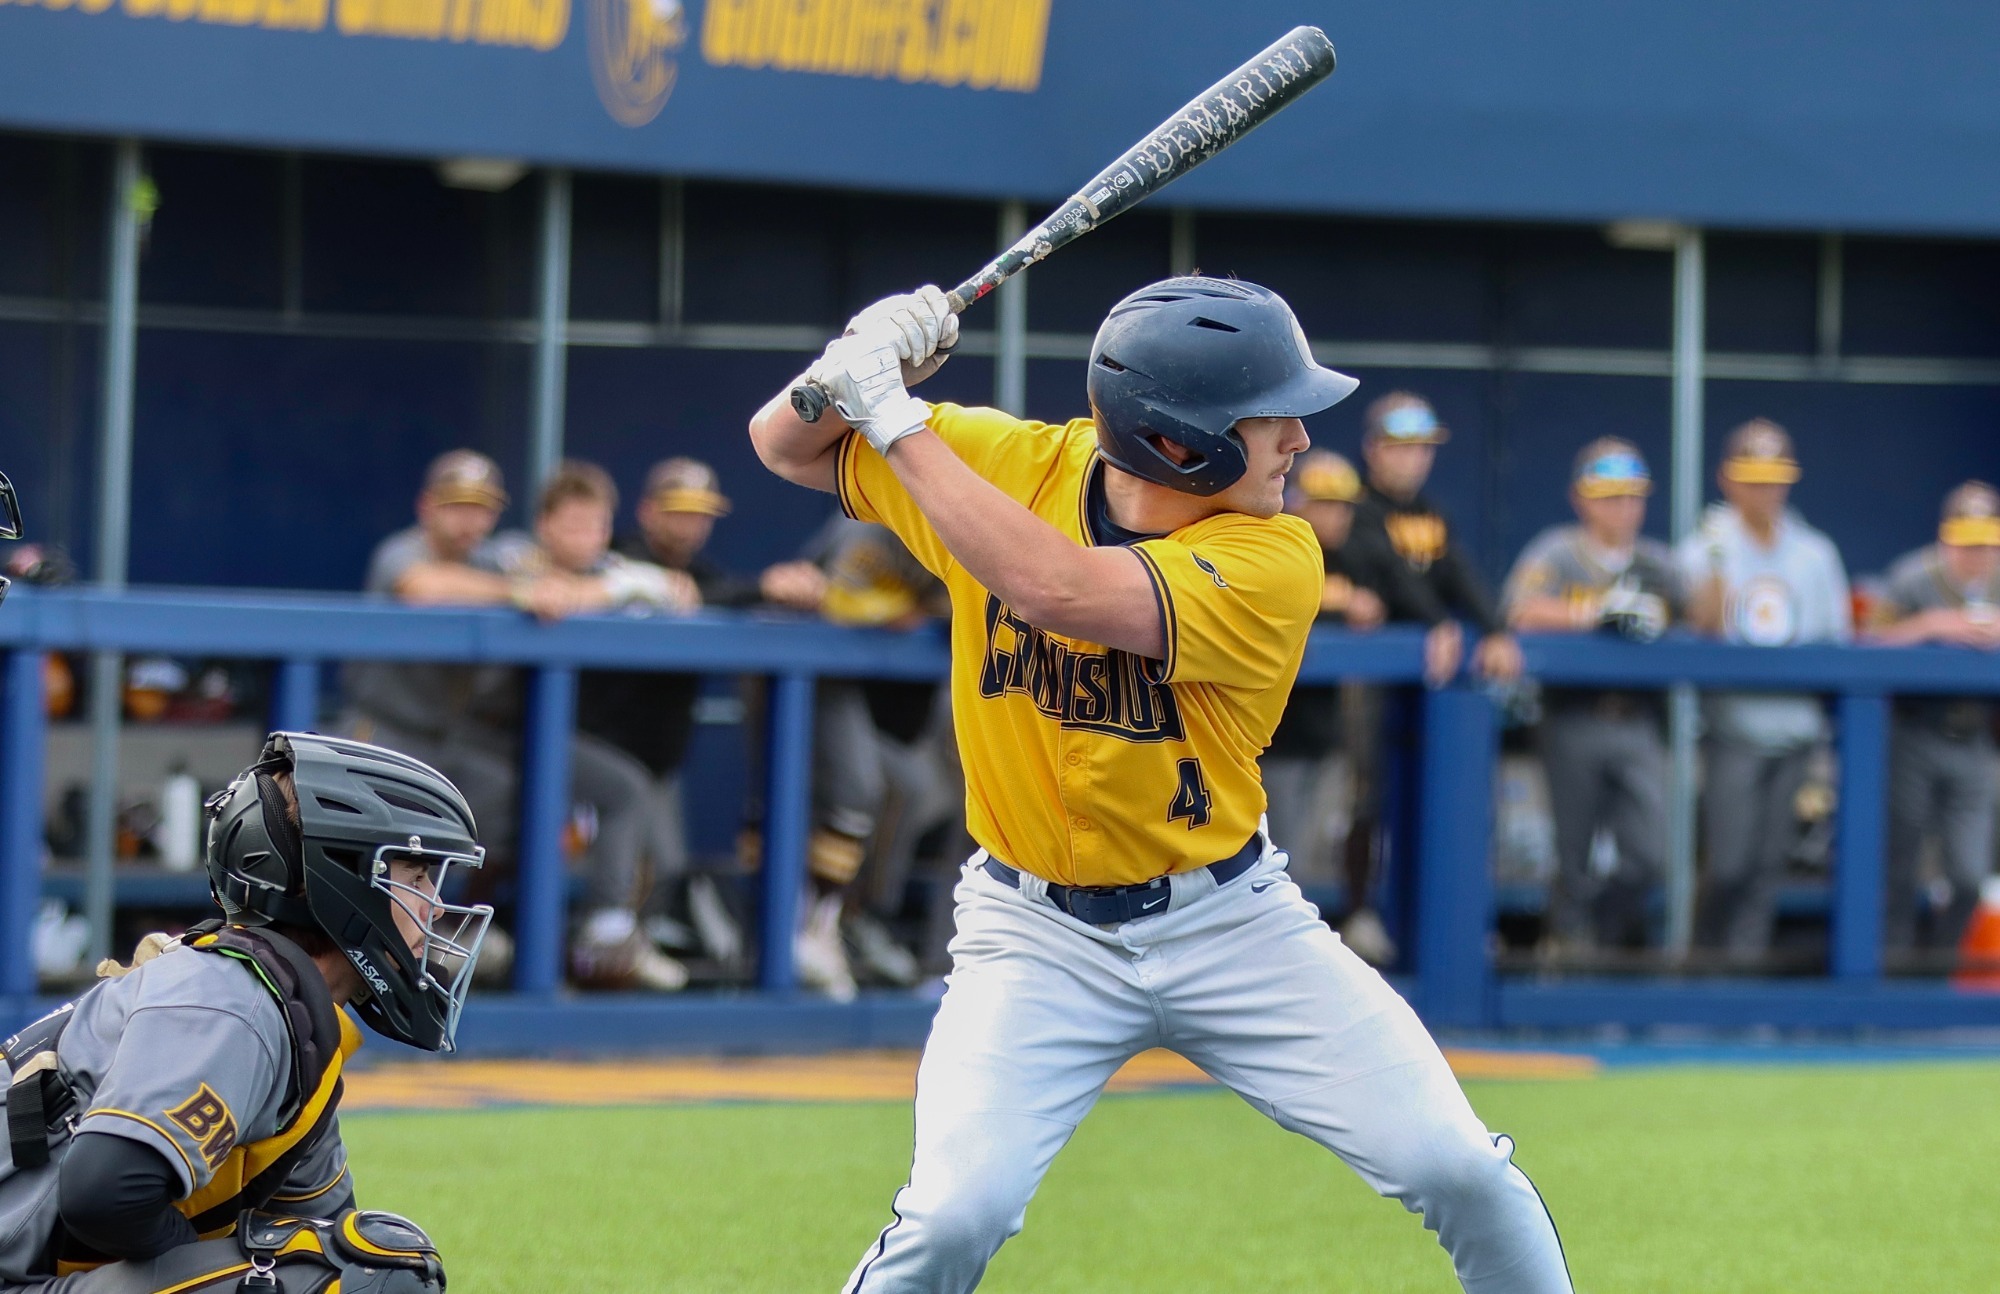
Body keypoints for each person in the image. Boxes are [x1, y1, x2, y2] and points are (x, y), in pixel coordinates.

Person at [748, 277, 1572, 1293]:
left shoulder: (1276, 554)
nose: (1302, 444)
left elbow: (1057, 589)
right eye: (1271, 418)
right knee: (954, 1214)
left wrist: (897, 418)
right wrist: (845, 372)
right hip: (1032, 934)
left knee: (1458, 1168)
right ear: (1181, 442)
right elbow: (782, 444)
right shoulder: (1013, 463)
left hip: (1232, 925)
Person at [0, 732, 481, 1292]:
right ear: (343, 882)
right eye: (416, 876)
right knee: (379, 1277)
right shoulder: (231, 997)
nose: (436, 904)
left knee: (363, 1258)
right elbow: (107, 1191)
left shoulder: (294, 1021)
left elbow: (314, 1226)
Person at [342, 451, 687, 992]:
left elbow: (570, 586)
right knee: (399, 844)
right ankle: (401, 949)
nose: (469, 521)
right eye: (457, 507)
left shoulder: (498, 559)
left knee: (559, 801)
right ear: (427, 507)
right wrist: (522, 593)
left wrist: (639, 584)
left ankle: (576, 940)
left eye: (480, 509)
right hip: (383, 736)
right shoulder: (406, 551)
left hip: (456, 743)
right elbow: (423, 588)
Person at [573, 457, 774, 972]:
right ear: (647, 511)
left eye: (700, 514)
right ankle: (581, 962)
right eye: (678, 511)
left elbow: (722, 594)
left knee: (667, 866)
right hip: (589, 746)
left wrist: (766, 589)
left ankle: (611, 968)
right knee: (591, 866)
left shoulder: (703, 575)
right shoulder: (617, 559)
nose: (690, 525)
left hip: (655, 761)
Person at [1676, 419, 1851, 963]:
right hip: (1734, 728)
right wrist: (1720, 559)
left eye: (1774, 478)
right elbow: (1703, 621)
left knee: (1767, 869)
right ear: (1728, 480)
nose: (1765, 489)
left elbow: (1836, 640)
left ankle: (1743, 986)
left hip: (1795, 731)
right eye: (1753, 478)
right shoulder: (1706, 544)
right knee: (1728, 864)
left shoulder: (1814, 552)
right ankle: (1702, 976)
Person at [1503, 439, 1683, 955]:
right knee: (1572, 853)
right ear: (1581, 499)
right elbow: (1518, 610)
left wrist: (1712, 566)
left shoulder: (1657, 563)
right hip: (1572, 716)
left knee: (1649, 855)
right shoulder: (1558, 551)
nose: (1622, 508)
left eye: (1631, 497)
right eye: (1608, 497)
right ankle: (1567, 952)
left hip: (1638, 718)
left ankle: (1605, 942)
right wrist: (1596, 611)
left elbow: (1705, 617)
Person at [1258, 449, 1428, 964]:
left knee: (1311, 849)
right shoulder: (1278, 542)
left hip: (1328, 732)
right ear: (1301, 500)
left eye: (1342, 506)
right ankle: (1269, 956)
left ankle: (1304, 947)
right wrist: (1342, 610)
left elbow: (1410, 596)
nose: (1334, 515)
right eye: (1324, 503)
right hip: (1273, 736)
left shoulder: (1360, 554)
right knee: (1274, 851)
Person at [800, 517, 957, 998]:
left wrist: (924, 606)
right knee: (851, 793)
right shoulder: (867, 524)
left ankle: (853, 916)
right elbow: (840, 600)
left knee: (917, 791)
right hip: (805, 680)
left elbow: (970, 601)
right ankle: (812, 924)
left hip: (869, 699)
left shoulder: (950, 528)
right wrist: (898, 607)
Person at [1865, 480, 2000, 955]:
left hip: (1976, 740)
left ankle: (1935, 973)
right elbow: (1867, 643)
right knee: (1899, 866)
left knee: (1968, 875)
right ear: (1946, 538)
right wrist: (1932, 625)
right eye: (1967, 542)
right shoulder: (1913, 578)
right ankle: (1893, 974)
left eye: (1986, 542)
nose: (1977, 553)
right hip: (1915, 733)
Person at [1352, 392, 1524, 685]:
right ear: (1373, 449)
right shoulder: (1353, 506)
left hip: (1424, 661)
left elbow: (1459, 571)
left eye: (1423, 448)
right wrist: (1439, 622)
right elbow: (1391, 572)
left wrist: (1494, 630)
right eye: (1402, 448)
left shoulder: (1431, 511)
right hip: (1363, 662)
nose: (1415, 460)